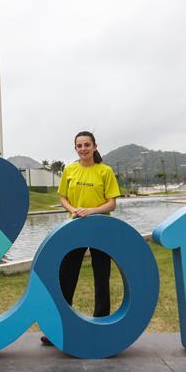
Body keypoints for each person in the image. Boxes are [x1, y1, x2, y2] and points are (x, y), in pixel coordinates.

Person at [42, 131, 120, 346]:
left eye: (87, 145)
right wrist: (74, 209)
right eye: (79, 146)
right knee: (67, 277)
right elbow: (63, 198)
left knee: (101, 277)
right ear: (75, 148)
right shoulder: (70, 170)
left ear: (95, 146)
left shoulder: (105, 171)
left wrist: (91, 211)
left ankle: (102, 324)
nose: (83, 148)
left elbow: (111, 203)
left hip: (101, 228)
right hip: (74, 228)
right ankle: (58, 327)